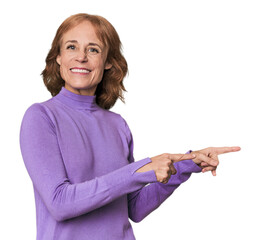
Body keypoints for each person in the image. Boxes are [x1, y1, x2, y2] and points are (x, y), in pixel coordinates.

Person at [19, 13, 240, 240]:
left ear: (108, 62)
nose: (81, 57)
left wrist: (183, 166)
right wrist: (143, 168)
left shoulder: (117, 125)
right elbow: (60, 203)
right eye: (71, 47)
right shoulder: (41, 116)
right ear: (58, 57)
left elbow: (133, 208)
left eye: (93, 49)